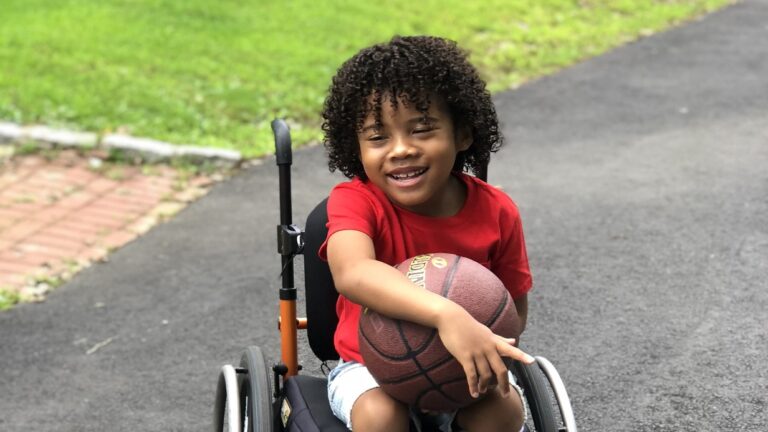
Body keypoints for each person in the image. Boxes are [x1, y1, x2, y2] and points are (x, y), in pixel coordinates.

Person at [319, 35, 535, 432]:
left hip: (464, 367)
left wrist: (476, 339)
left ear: (463, 134)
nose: (401, 149)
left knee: (502, 412)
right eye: (378, 137)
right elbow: (352, 273)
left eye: (422, 129)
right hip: (369, 371)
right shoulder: (354, 201)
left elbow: (512, 310)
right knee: (381, 417)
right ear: (356, 147)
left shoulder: (496, 210)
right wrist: (445, 315)